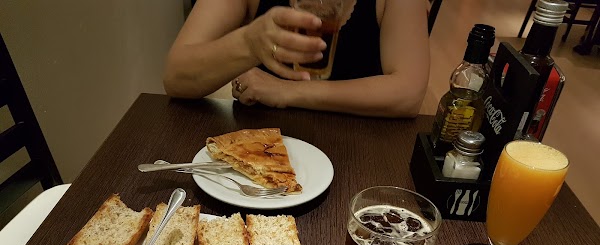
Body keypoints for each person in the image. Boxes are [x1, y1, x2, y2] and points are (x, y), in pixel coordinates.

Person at [163, 0, 430, 118]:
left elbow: (408, 93)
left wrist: (288, 91)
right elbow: (176, 76)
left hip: (362, 151)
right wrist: (248, 43)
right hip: (259, 149)